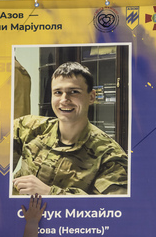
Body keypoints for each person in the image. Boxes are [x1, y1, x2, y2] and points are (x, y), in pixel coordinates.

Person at [12, 61, 128, 195]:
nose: (64, 99)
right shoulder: (27, 127)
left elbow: (109, 210)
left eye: (74, 92)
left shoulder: (110, 156)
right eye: (57, 92)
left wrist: (50, 193)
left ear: (91, 97)